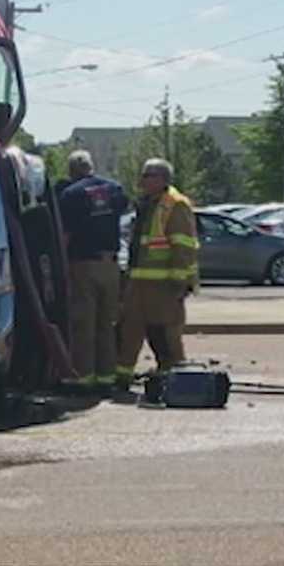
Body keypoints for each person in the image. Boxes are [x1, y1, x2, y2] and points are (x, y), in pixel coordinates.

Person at [115, 158, 199, 395]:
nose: (141, 181)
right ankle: (122, 379)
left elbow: (184, 246)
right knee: (129, 331)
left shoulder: (176, 205)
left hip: (164, 285)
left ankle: (178, 382)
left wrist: (179, 282)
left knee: (166, 335)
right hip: (139, 284)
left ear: (161, 179)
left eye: (147, 176)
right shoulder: (148, 204)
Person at [58, 150, 129, 397]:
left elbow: (66, 235)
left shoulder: (71, 195)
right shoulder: (115, 189)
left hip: (83, 264)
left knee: (83, 324)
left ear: (71, 171)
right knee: (107, 324)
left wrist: (62, 264)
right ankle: (106, 377)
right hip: (111, 264)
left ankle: (83, 379)